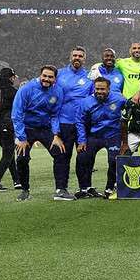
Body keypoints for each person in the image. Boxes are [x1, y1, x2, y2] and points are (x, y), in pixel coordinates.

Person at [11, 65, 70, 201]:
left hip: (45, 129)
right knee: (22, 158)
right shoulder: (26, 89)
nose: (47, 79)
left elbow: (55, 115)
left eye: (50, 77)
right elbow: (16, 114)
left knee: (60, 152)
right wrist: (21, 137)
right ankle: (25, 191)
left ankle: (61, 190)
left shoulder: (58, 91)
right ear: (40, 75)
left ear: (55, 79)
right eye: (45, 76)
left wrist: (56, 135)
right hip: (26, 128)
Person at [75, 77, 126, 199]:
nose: (99, 92)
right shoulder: (86, 102)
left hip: (113, 135)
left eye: (103, 89)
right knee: (82, 157)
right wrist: (81, 140)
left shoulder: (120, 99)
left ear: (109, 89)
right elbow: (79, 121)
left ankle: (110, 188)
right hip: (94, 136)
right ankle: (85, 188)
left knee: (114, 160)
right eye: (97, 89)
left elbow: (128, 113)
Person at [56, 47, 94, 191]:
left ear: (84, 59)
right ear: (70, 57)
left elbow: (92, 99)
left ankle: (84, 188)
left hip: (83, 124)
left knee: (84, 158)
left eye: (80, 56)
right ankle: (61, 189)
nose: (77, 58)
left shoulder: (90, 77)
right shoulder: (59, 74)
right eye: (75, 55)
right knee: (63, 158)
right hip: (64, 123)